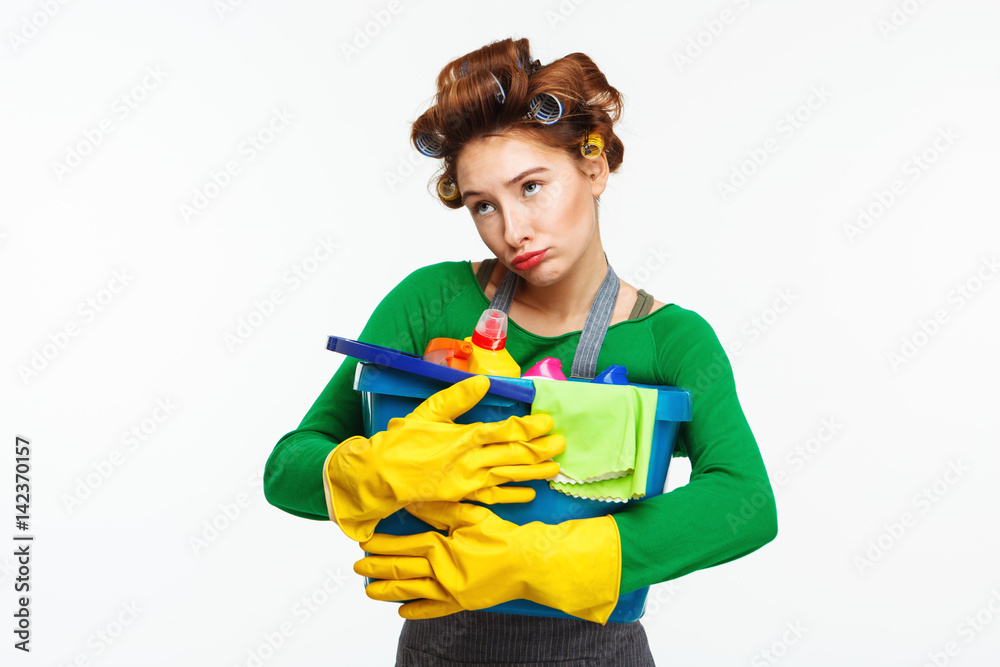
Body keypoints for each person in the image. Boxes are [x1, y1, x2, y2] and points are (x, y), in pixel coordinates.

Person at [263, 37, 778, 667]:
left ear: (594, 168)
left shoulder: (671, 340)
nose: (513, 230)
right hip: (440, 648)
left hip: (600, 651)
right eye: (485, 205)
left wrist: (540, 562)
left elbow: (744, 502)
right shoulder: (431, 300)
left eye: (532, 186)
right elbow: (288, 468)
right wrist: (370, 471)